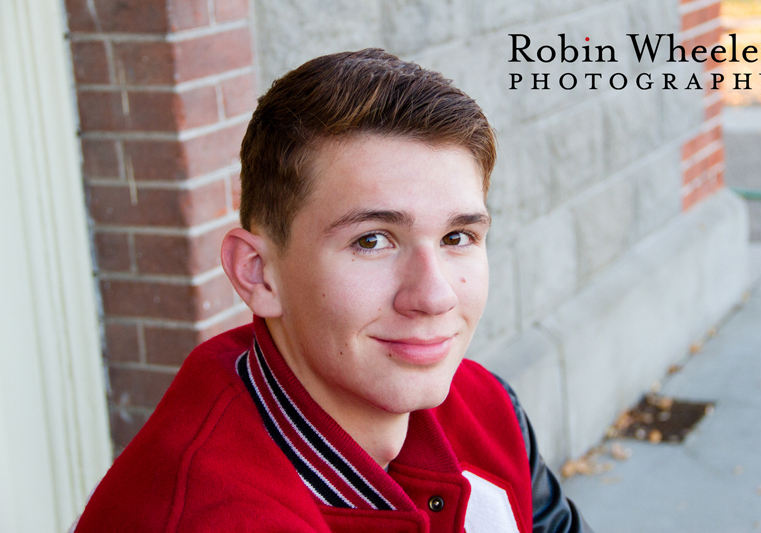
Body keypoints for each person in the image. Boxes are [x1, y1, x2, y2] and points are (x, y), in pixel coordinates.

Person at [74, 48, 592, 533]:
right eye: (372, 240)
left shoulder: (489, 409)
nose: (434, 297)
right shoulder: (204, 515)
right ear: (257, 273)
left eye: (458, 237)